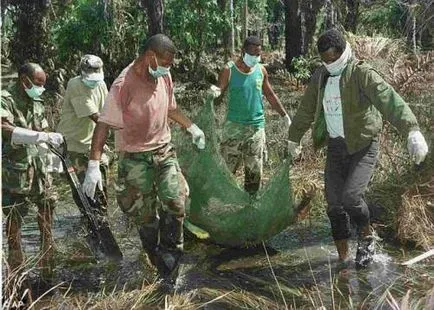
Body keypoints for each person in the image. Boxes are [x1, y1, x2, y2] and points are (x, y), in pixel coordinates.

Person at [287, 29, 429, 268]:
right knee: (333, 204)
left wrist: (412, 130)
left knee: (351, 198)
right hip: (336, 146)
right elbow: (305, 110)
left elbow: (389, 100)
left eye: (334, 59)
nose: (330, 64)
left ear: (344, 53)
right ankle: (343, 261)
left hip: (363, 144)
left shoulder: (362, 73)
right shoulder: (321, 77)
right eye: (325, 60)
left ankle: (366, 237)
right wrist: (293, 139)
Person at [82, 34, 205, 277]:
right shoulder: (122, 85)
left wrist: (191, 127)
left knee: (176, 200)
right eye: (166, 63)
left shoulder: (164, 75)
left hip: (163, 150)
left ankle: (172, 258)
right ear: (150, 57)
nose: (168, 69)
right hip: (135, 157)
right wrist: (93, 165)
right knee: (145, 215)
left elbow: (171, 107)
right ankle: (152, 254)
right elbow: (103, 125)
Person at [1, 63, 64, 279]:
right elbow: (5, 129)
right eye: (37, 83)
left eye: (43, 84)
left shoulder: (37, 100)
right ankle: (15, 259)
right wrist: (37, 136)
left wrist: (52, 153)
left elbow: (43, 128)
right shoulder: (5, 98)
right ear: (23, 79)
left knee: (48, 202)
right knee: (14, 212)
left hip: (39, 166)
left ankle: (47, 249)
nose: (40, 88)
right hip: (16, 168)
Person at [209, 35, 292, 195]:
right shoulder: (229, 70)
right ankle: (224, 204)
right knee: (227, 172)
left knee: (254, 175)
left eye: (258, 54)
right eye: (252, 54)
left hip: (256, 129)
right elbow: (219, 95)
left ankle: (250, 204)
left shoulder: (261, 70)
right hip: (234, 127)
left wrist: (284, 116)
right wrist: (215, 93)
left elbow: (270, 95)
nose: (255, 57)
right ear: (243, 51)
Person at [57, 55, 109, 190]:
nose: (94, 83)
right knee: (84, 193)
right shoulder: (75, 85)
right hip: (73, 145)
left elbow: (108, 112)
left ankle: (99, 211)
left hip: (91, 143)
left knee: (101, 189)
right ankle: (90, 211)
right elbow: (98, 118)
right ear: (82, 74)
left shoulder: (101, 84)